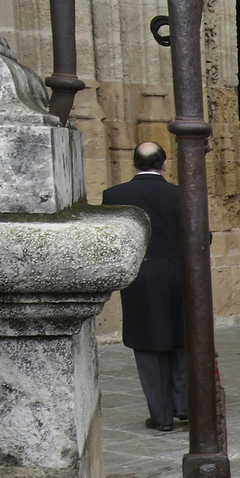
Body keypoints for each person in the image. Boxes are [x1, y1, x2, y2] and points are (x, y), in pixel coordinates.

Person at [102, 142, 186, 433]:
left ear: (134, 164)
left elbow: (111, 243)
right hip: (179, 273)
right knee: (182, 338)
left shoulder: (115, 195)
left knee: (148, 345)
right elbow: (202, 237)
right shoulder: (181, 193)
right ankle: (185, 404)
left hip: (140, 278)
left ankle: (161, 415)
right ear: (164, 164)